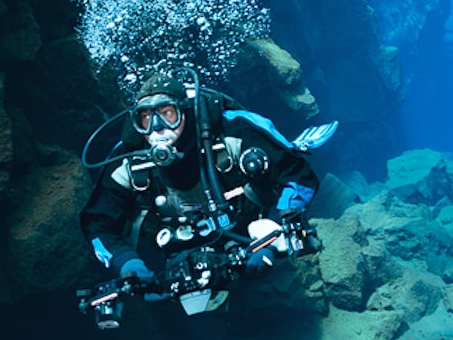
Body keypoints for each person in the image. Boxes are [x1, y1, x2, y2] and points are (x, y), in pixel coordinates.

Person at [80, 72, 331, 294]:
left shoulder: (235, 130)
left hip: (247, 232)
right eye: (146, 118)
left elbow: (298, 174)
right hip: (175, 251)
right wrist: (127, 262)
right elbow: (97, 223)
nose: (157, 129)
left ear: (184, 112)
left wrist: (274, 231)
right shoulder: (128, 161)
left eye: (168, 114)